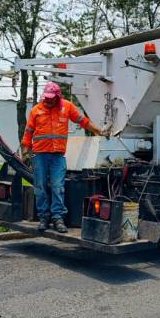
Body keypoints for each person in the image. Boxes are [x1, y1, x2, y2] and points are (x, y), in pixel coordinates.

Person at [21, 82, 105, 233]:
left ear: (58, 96)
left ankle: (58, 218)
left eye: (51, 98)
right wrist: (26, 150)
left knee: (58, 187)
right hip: (39, 155)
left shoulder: (67, 107)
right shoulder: (36, 110)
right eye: (46, 97)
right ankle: (44, 217)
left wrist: (98, 130)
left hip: (58, 156)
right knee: (40, 187)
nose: (48, 100)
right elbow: (28, 131)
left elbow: (83, 121)